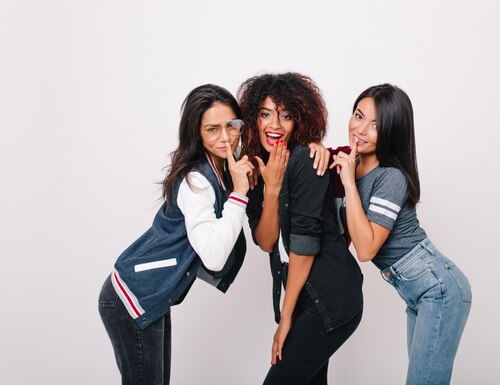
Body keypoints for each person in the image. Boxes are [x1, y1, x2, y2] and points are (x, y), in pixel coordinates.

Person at [98, 84, 254, 385]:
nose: (226, 137)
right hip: (132, 296)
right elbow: (214, 255)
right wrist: (240, 193)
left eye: (232, 126)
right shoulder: (197, 179)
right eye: (212, 129)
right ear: (196, 133)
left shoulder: (222, 165)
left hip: (151, 293)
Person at [330, 84, 472, 385]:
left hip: (439, 288)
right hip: (416, 293)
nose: (361, 129)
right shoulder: (353, 168)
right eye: (358, 116)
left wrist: (349, 186)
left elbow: (366, 249)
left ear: (393, 131)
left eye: (376, 125)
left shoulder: (390, 177)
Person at [239, 72, 364, 385]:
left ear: (300, 121)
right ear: (253, 118)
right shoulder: (254, 170)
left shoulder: (307, 161)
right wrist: (271, 188)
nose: (275, 125)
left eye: (285, 116)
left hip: (331, 298)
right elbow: (266, 242)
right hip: (306, 298)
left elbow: (304, 247)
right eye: (265, 114)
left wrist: (285, 318)